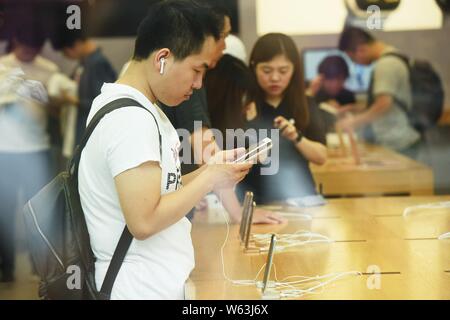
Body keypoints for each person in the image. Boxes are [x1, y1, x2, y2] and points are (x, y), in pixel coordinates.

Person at [78, 0, 252, 300]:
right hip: (139, 290)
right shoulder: (129, 119)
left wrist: (210, 172)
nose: (198, 84)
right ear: (162, 59)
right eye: (197, 70)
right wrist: (210, 179)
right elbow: (144, 221)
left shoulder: (143, 109)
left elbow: (159, 191)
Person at [158, 5, 283, 224]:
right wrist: (238, 213)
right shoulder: (187, 80)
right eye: (223, 36)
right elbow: (207, 151)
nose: (224, 46)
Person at [241, 33, 327, 204]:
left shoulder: (305, 103)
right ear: (253, 67)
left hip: (301, 198)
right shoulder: (242, 104)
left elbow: (321, 157)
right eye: (266, 70)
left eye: (283, 71)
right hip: (255, 201)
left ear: (294, 69)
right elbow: (228, 160)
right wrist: (249, 125)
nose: (274, 78)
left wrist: (296, 137)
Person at [0, 25, 57, 282]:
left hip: (37, 149)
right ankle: (6, 269)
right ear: (15, 40)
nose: (29, 53)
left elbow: (57, 109)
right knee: (4, 212)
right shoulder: (2, 67)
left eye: (34, 49)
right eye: (25, 48)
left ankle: (41, 268)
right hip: (6, 151)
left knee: (40, 212)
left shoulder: (49, 70)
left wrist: (48, 99)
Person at [336, 26, 421, 157]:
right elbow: (387, 101)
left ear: (361, 50)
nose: (356, 64)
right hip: (400, 139)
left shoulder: (386, 65)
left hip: (397, 142)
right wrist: (353, 108)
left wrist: (354, 122)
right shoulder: (395, 57)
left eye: (353, 59)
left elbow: (384, 104)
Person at [51, 29, 117, 145]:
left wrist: (75, 101)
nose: (67, 56)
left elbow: (105, 102)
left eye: (66, 52)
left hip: (93, 132)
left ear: (77, 44)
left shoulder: (97, 63)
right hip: (83, 129)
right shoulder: (84, 63)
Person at [307, 55, 357, 132]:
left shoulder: (348, 95)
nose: (335, 84)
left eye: (340, 79)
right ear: (321, 78)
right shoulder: (313, 94)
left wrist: (349, 109)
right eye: (330, 79)